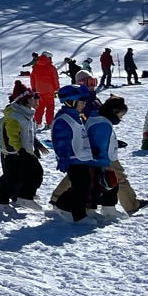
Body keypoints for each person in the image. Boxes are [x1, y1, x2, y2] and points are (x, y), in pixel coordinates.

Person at [49, 87, 100, 222]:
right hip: (72, 159)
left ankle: (78, 211)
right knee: (80, 187)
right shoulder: (64, 119)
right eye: (81, 102)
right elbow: (61, 141)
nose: (84, 104)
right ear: (71, 102)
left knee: (85, 186)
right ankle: (68, 209)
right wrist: (63, 158)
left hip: (81, 158)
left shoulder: (76, 117)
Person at [0, 85, 43, 208]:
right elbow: (13, 137)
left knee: (34, 173)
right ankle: (0, 200)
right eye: (31, 98)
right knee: (13, 178)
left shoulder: (27, 114)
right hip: (15, 154)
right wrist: (21, 150)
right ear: (23, 100)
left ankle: (24, 196)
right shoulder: (15, 117)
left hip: (26, 152)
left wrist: (34, 148)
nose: (33, 100)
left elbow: (28, 135)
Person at [30, 52, 59, 128]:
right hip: (49, 91)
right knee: (50, 107)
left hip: (39, 90)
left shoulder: (35, 67)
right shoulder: (51, 67)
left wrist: (34, 89)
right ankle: (49, 123)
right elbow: (55, 79)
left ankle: (38, 123)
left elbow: (32, 79)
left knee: (39, 107)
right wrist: (57, 89)